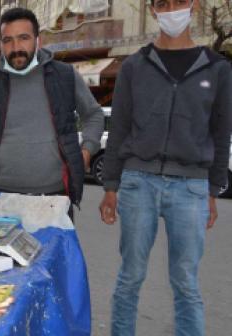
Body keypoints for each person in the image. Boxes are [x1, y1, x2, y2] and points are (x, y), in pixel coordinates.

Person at [99, 1, 232, 335]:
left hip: (191, 188)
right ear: (154, 10)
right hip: (137, 182)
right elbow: (120, 127)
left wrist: (213, 190)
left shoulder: (217, 69)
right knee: (130, 277)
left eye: (179, 1)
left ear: (194, 6)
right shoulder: (134, 66)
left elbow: (221, 130)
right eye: (162, 3)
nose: (172, 9)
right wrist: (111, 186)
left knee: (186, 282)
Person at [0, 7, 104, 214]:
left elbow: (93, 114)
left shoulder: (64, 76)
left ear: (38, 41)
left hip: (55, 197)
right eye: (7, 40)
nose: (16, 47)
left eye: (23, 38)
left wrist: (87, 150)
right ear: (1, 44)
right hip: (1, 198)